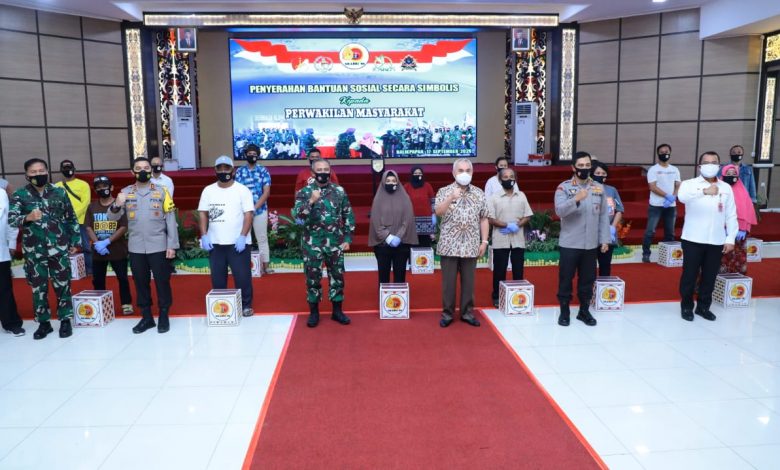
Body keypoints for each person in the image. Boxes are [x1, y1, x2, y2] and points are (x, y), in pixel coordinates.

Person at [8, 158, 81, 339]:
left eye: (41, 171)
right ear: (26, 175)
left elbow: (71, 218)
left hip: (59, 247)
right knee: (38, 287)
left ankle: (65, 320)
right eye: (33, 172)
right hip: (34, 250)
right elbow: (12, 220)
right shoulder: (20, 195)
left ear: (47, 172)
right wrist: (28, 218)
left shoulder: (59, 192)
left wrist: (74, 241)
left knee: (63, 285)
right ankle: (44, 323)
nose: (38, 174)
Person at [109, 157, 179, 334]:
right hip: (136, 246)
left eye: (146, 168)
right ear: (132, 172)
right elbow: (112, 218)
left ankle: (164, 314)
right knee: (140, 282)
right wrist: (117, 204)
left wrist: (172, 245)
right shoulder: (125, 192)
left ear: (151, 170)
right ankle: (147, 317)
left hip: (159, 245)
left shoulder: (162, 191)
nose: (143, 171)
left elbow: (171, 219)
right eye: (138, 168)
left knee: (162, 281)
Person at [293, 158, 355, 328]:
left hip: (335, 243)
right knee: (313, 278)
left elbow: (348, 215)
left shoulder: (339, 191)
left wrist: (347, 238)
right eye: (319, 170)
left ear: (330, 171)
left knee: (337, 277)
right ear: (313, 173)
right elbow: (298, 218)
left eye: (326, 169)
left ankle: (337, 311)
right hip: (312, 244)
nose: (323, 172)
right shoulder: (304, 192)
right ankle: (314, 313)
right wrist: (311, 201)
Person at [678, 152, 738, 322]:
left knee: (710, 276)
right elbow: (682, 197)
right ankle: (687, 306)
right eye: (706, 162)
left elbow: (731, 214)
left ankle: (703, 307)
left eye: (714, 162)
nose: (710, 165)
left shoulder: (726, 187)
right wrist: (704, 191)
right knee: (689, 275)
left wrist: (730, 238)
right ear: (699, 166)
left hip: (716, 240)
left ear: (719, 165)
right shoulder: (689, 184)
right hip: (693, 239)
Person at [554, 151, 610, 327]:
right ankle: (564, 311)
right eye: (581, 166)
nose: (584, 169)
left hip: (590, 244)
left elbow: (603, 216)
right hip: (570, 243)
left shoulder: (598, 188)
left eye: (587, 165)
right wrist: (576, 199)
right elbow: (559, 211)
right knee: (566, 278)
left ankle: (584, 311)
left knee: (587, 279)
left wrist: (605, 239)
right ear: (573, 167)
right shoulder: (564, 188)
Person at [434, 158, 489, 328]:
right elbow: (438, 212)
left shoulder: (479, 193)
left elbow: (484, 218)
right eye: (460, 170)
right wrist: (451, 197)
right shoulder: (444, 191)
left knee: (469, 282)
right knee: (448, 283)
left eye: (468, 170)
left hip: (471, 245)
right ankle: (447, 314)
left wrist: (484, 241)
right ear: (453, 173)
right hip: (449, 245)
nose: (464, 173)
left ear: (472, 173)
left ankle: (467, 313)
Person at [198, 156, 255, 317]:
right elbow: (203, 213)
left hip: (238, 243)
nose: (223, 171)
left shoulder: (242, 190)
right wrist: (204, 235)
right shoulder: (208, 190)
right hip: (215, 242)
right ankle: (220, 305)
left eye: (226, 168)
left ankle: (246, 305)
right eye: (220, 168)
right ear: (215, 171)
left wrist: (243, 236)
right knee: (217, 278)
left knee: (242, 277)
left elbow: (248, 215)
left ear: (233, 170)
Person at [85, 175, 133, 315]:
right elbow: (88, 227)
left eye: (105, 186)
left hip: (117, 250)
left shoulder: (119, 205)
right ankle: (100, 304)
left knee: (122, 278)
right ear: (95, 190)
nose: (102, 189)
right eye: (99, 187)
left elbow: (124, 227)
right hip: (98, 252)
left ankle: (126, 303)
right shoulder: (92, 207)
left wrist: (107, 241)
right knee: (98, 280)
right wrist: (97, 243)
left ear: (111, 188)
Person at [488, 168, 533, 307]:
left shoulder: (521, 195)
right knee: (499, 270)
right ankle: (497, 296)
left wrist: (517, 225)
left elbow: (528, 215)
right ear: (500, 180)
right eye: (506, 177)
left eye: (511, 176)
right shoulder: (494, 197)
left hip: (518, 239)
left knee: (518, 270)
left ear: (515, 179)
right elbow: (490, 218)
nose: (509, 179)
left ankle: (518, 296)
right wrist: (507, 225)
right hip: (500, 240)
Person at [369, 170, 418, 284]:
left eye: (393, 181)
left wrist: (398, 237)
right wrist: (388, 237)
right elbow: (376, 221)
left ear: (397, 182)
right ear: (383, 182)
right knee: (383, 277)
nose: (391, 183)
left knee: (400, 276)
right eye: (388, 181)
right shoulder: (378, 199)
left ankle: (399, 295)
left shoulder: (405, 198)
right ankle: (384, 296)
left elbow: (408, 219)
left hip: (402, 244)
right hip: (382, 244)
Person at [235, 144, 273, 274]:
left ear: (258, 156)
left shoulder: (263, 170)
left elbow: (266, 192)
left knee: (262, 238)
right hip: (243, 211)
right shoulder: (240, 171)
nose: (252, 156)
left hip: (260, 210)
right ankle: (241, 266)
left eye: (254, 154)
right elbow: (236, 191)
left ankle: (266, 266)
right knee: (243, 237)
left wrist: (254, 208)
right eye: (249, 154)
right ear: (246, 155)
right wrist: (247, 209)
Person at [642, 143, 681, 263]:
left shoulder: (674, 169)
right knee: (650, 231)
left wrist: (673, 197)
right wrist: (667, 196)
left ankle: (668, 256)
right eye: (662, 152)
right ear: (658, 154)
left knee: (670, 232)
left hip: (671, 206)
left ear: (670, 153)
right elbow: (652, 187)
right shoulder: (653, 170)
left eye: (667, 152)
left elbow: (678, 184)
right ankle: (646, 254)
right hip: (656, 205)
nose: (665, 154)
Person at [719, 164, 757, 275]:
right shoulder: (719, 190)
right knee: (721, 258)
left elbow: (748, 212)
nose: (731, 176)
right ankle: (719, 282)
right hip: (721, 231)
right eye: (728, 173)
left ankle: (736, 281)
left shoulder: (743, 191)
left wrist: (744, 229)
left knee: (738, 258)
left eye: (734, 173)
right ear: (723, 175)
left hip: (740, 232)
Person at [55, 159, 92, 274]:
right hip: (63, 222)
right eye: (64, 168)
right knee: (65, 246)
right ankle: (69, 270)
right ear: (61, 170)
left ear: (74, 169)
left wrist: (72, 215)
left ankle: (90, 270)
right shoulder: (56, 186)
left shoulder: (83, 184)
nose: (67, 170)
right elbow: (55, 204)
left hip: (80, 220)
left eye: (69, 167)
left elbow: (86, 203)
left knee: (85, 245)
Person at [591, 161, 625, 277]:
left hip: (608, 234)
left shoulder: (611, 190)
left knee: (605, 265)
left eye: (603, 173)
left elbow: (619, 210)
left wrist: (612, 227)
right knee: (589, 267)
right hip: (591, 234)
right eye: (597, 173)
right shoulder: (587, 190)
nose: (600, 175)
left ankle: (603, 287)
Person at [0, 187, 24, 336]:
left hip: (1, 251)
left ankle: (11, 323)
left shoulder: (1, 193)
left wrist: (12, 243)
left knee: (4, 289)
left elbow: (10, 220)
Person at [403, 166, 436, 247]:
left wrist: (433, 214)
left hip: (427, 222)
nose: (418, 175)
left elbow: (432, 201)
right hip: (411, 221)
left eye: (419, 173)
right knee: (413, 247)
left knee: (425, 246)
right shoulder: (407, 186)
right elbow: (403, 203)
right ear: (412, 174)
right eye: (415, 173)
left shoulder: (427, 186)